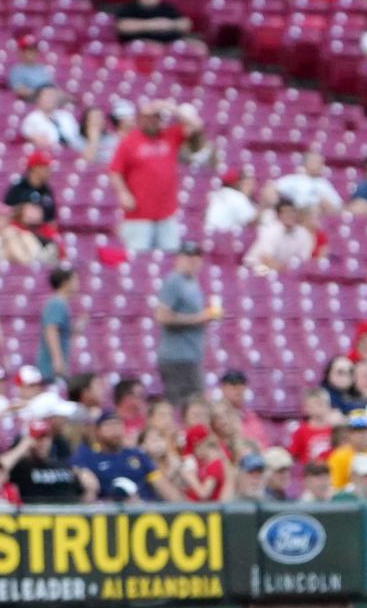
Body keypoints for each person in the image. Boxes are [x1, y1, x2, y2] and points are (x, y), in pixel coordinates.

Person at [109, 99, 205, 253]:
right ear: (141, 119)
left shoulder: (169, 135)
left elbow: (197, 126)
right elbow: (115, 171)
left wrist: (171, 108)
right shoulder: (129, 141)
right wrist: (123, 193)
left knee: (170, 258)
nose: (153, 121)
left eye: (157, 117)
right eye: (149, 117)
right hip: (138, 216)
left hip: (166, 215)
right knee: (138, 261)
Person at [155, 242, 218, 403]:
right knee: (187, 407)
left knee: (196, 406)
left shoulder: (192, 282)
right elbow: (162, 316)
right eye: (188, 256)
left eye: (196, 257)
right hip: (176, 358)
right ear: (178, 259)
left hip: (190, 355)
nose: (192, 260)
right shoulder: (174, 281)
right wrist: (197, 318)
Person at [2, 420, 97, 504]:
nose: (43, 443)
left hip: (69, 517)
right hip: (38, 519)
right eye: (38, 439)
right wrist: (23, 446)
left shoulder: (61, 463)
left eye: (46, 438)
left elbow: (89, 488)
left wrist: (89, 488)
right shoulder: (22, 466)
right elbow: (0, 468)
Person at [71, 412, 161, 499]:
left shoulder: (137, 455)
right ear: (97, 431)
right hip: (107, 510)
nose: (115, 430)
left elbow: (160, 482)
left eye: (118, 425)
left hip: (145, 509)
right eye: (109, 425)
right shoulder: (88, 457)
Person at [243, 198, 315, 273]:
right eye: (286, 213)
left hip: (281, 270)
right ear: (278, 216)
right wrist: (283, 273)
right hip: (255, 266)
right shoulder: (270, 230)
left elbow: (302, 261)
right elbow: (267, 259)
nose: (290, 215)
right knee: (265, 272)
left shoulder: (303, 234)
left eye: (292, 212)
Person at [115, 0, 192, 45]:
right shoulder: (130, 8)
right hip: (143, 46)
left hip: (169, 45)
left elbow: (185, 23)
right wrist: (152, 25)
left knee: (197, 46)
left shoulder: (166, 7)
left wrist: (169, 24)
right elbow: (122, 26)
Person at [37, 266, 76, 382]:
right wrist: (57, 359)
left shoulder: (60, 302)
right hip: (50, 367)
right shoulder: (57, 303)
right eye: (74, 280)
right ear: (65, 283)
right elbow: (51, 330)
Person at [275, 151, 342, 215]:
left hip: (316, 217)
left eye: (321, 163)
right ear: (306, 163)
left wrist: (328, 207)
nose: (321, 166)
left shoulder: (324, 184)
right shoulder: (294, 179)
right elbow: (272, 189)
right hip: (296, 214)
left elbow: (338, 206)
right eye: (317, 162)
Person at [3, 150, 57, 224]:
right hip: (19, 228)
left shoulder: (47, 190)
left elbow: (51, 219)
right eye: (44, 167)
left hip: (41, 230)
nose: (48, 170)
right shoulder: (18, 188)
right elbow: (7, 213)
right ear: (34, 168)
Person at [20, 86, 80, 151]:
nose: (51, 99)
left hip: (74, 151)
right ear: (38, 99)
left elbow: (75, 137)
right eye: (48, 96)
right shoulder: (31, 119)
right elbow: (39, 142)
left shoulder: (66, 116)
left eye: (54, 96)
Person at [204, 168, 257, 233]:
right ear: (237, 183)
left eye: (250, 184)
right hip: (222, 237)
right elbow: (253, 221)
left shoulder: (214, 194)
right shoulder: (238, 197)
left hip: (208, 234)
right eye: (245, 183)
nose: (250, 187)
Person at [7, 34, 54, 101]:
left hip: (47, 102)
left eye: (34, 50)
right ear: (21, 52)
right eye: (28, 50)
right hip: (29, 103)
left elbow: (52, 87)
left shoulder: (42, 68)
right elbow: (19, 90)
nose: (31, 53)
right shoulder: (16, 70)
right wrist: (41, 95)